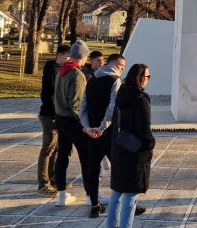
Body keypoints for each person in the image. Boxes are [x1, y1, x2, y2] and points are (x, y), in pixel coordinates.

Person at [106, 63, 155, 228]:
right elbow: (144, 129)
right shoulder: (141, 100)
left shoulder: (121, 94)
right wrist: (150, 144)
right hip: (134, 152)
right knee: (130, 196)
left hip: (119, 148)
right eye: (147, 77)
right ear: (140, 78)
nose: (148, 80)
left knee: (116, 193)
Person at [80, 53, 125, 218]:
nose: (122, 70)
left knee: (92, 169)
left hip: (92, 133)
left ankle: (94, 205)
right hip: (107, 133)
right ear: (113, 65)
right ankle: (124, 203)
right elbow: (113, 108)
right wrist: (102, 128)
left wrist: (87, 127)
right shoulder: (115, 81)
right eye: (121, 66)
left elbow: (83, 106)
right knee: (120, 168)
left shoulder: (92, 80)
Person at [53, 40, 92, 207]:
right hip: (72, 121)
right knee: (87, 158)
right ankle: (91, 196)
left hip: (61, 119)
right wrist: (86, 126)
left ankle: (61, 195)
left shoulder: (62, 71)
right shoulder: (77, 74)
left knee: (62, 157)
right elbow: (76, 105)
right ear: (82, 57)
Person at [37, 44, 70, 197]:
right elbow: (48, 95)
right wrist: (56, 112)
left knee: (55, 148)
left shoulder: (59, 69)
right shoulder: (52, 70)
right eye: (69, 56)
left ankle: (53, 178)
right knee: (48, 148)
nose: (70, 60)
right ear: (61, 55)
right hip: (50, 114)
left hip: (58, 115)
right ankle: (43, 184)